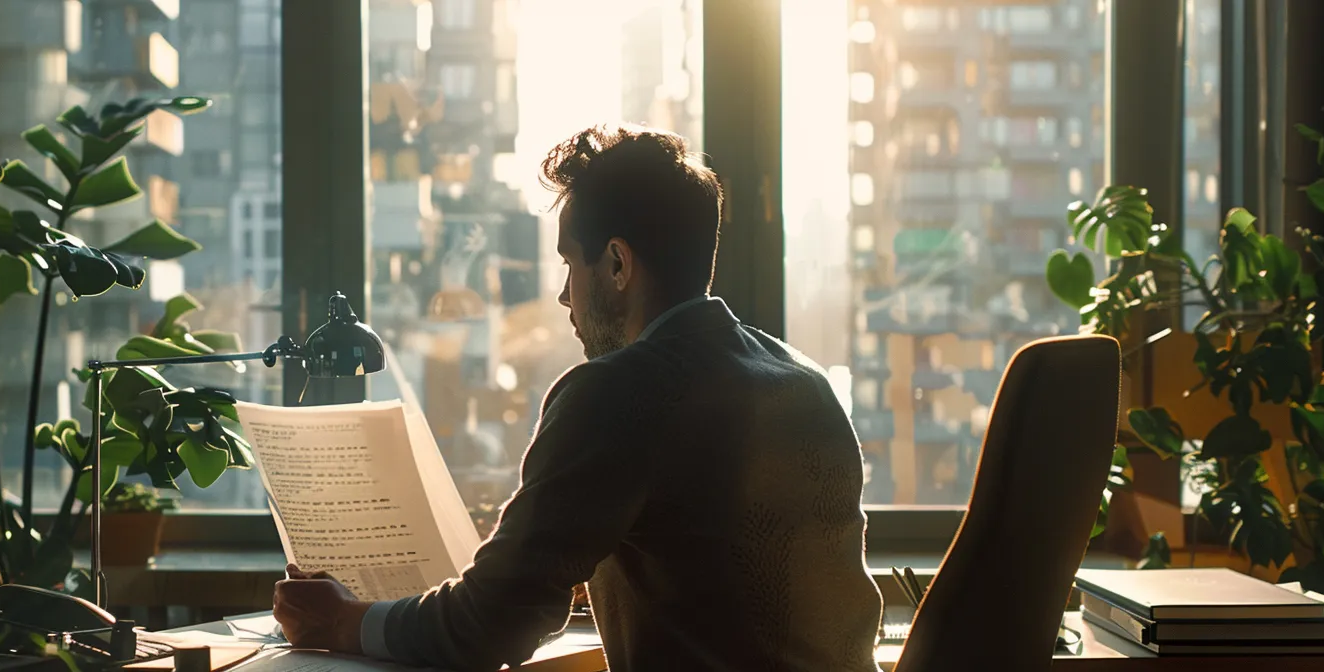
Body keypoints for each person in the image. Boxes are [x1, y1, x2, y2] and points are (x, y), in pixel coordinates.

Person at [272, 124, 883, 671]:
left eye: (570, 265)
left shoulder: (618, 392)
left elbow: (491, 626)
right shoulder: (806, 381)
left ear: (617, 264)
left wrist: (343, 620)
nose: (566, 298)